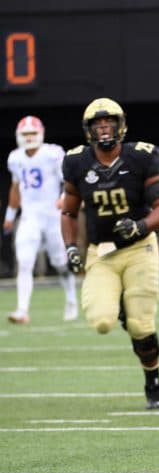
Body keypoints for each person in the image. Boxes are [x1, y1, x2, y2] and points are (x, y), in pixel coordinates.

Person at [61, 98, 159, 409]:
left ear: (120, 126)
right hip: (102, 252)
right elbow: (69, 213)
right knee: (101, 321)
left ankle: (152, 379)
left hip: (139, 248)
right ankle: (121, 308)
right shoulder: (76, 163)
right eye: (97, 125)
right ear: (89, 130)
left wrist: (140, 226)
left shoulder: (141, 157)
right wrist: (72, 247)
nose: (103, 129)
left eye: (108, 123)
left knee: (141, 325)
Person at [5, 115, 77, 324]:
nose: (29, 138)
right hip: (29, 216)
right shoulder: (15, 158)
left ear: (41, 134)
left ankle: (71, 299)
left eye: (32, 134)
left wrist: (63, 198)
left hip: (53, 216)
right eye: (25, 134)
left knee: (61, 263)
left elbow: (69, 181)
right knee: (25, 261)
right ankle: (22, 309)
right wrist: (10, 214)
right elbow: (16, 187)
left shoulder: (52, 154)